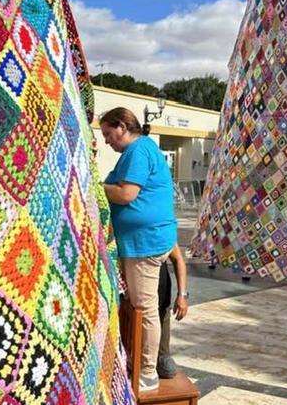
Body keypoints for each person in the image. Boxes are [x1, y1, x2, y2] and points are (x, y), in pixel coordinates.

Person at [100, 108, 177, 393]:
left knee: (145, 309)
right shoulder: (139, 151)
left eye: (109, 133)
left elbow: (126, 194)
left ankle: (147, 372)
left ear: (122, 127)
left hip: (145, 243)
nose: (107, 140)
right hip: (142, 242)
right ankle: (140, 363)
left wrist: (95, 187)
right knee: (141, 307)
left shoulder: (138, 151)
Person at [157, 244, 188, 378]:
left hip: (161, 297)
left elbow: (178, 260)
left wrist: (182, 295)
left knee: (167, 370)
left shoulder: (163, 226)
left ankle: (162, 354)